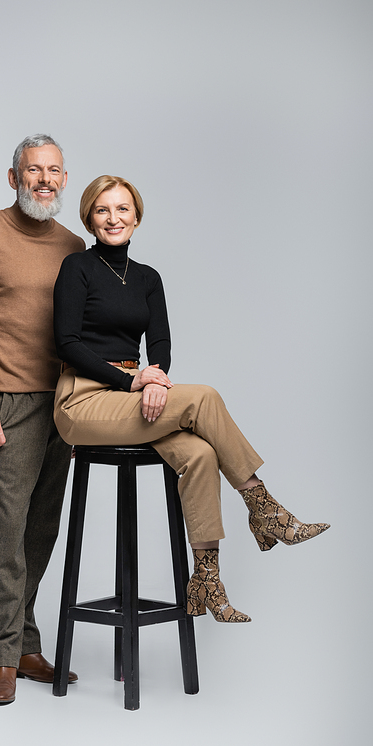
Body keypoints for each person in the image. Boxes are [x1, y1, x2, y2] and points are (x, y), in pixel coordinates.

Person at [53, 174, 330, 624]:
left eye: (123, 209)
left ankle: (206, 580)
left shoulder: (147, 277)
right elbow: (66, 343)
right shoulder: (76, 269)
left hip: (138, 393)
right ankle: (264, 507)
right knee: (204, 398)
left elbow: (159, 341)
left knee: (201, 454)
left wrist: (156, 379)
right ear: (89, 218)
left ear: (137, 217)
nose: (113, 218)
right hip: (85, 400)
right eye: (103, 210)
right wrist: (132, 384)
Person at [0, 134, 84, 706]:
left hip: (67, 402)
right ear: (13, 178)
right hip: (7, 403)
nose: (43, 180)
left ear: (64, 180)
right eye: (33, 170)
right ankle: (2, 658)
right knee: (8, 529)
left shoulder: (75, 245)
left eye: (53, 171)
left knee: (42, 528)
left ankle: (26, 645)